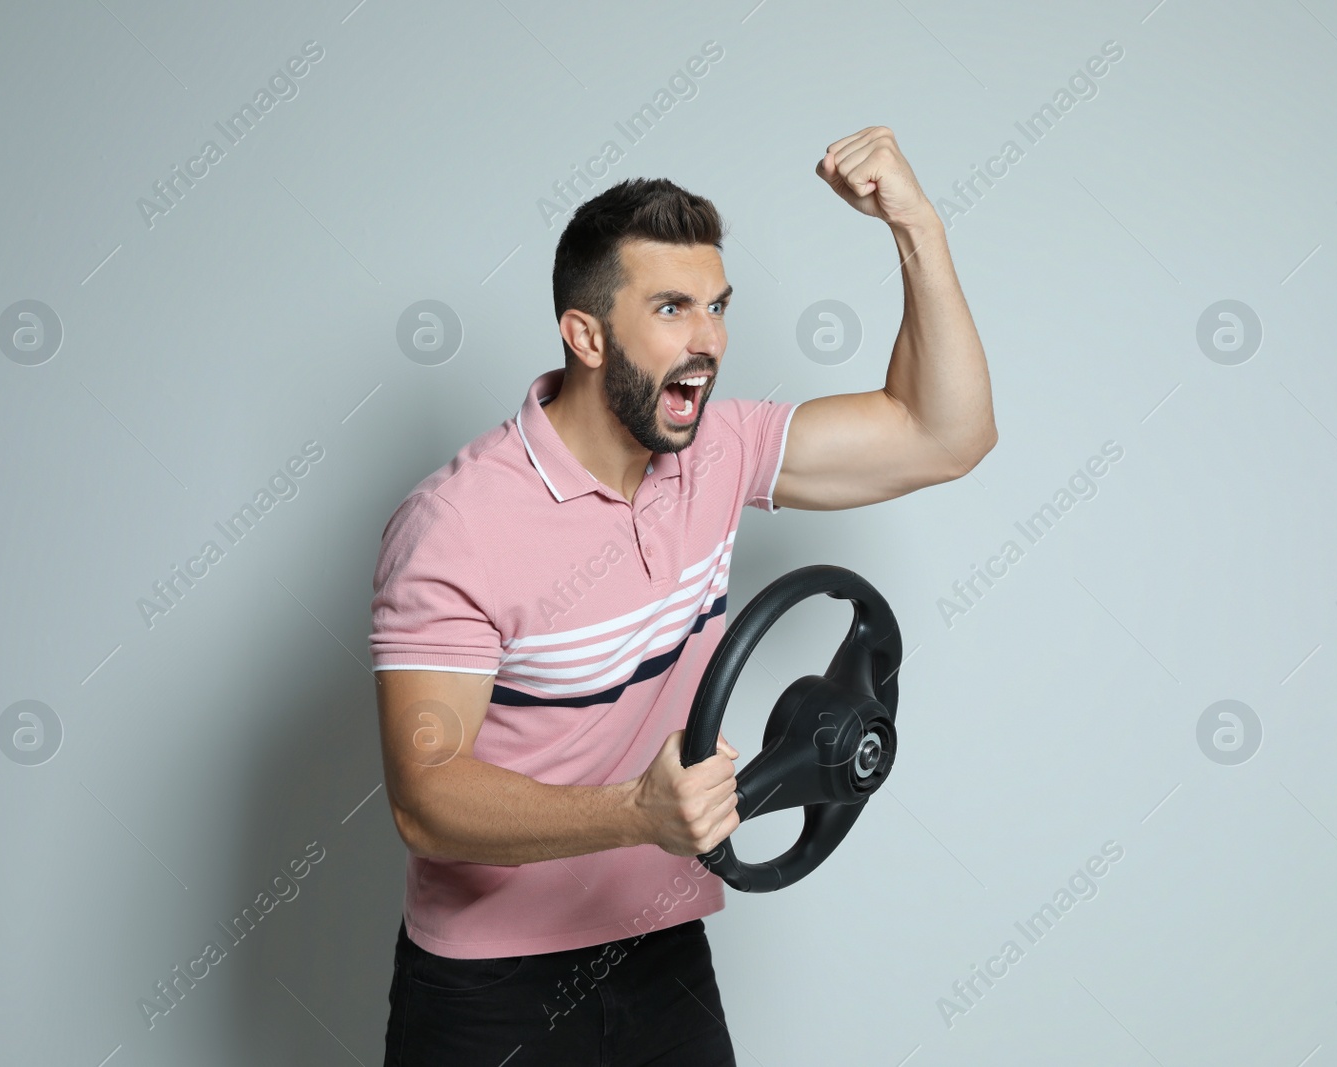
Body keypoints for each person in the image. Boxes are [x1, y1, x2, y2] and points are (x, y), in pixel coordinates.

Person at [370, 125, 996, 1065]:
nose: (710, 339)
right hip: (488, 987)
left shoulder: (716, 452)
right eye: (672, 308)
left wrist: (917, 226)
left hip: (662, 952)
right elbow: (426, 796)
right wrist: (634, 814)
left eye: (717, 305)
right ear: (585, 334)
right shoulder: (456, 524)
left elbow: (943, 434)